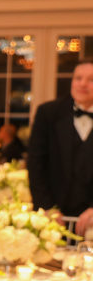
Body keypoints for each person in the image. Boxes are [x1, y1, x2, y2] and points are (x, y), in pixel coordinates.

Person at [28, 59, 93, 235]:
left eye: (91, 80)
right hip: (53, 218)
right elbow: (35, 164)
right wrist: (47, 207)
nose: (83, 84)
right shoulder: (48, 113)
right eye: (78, 78)